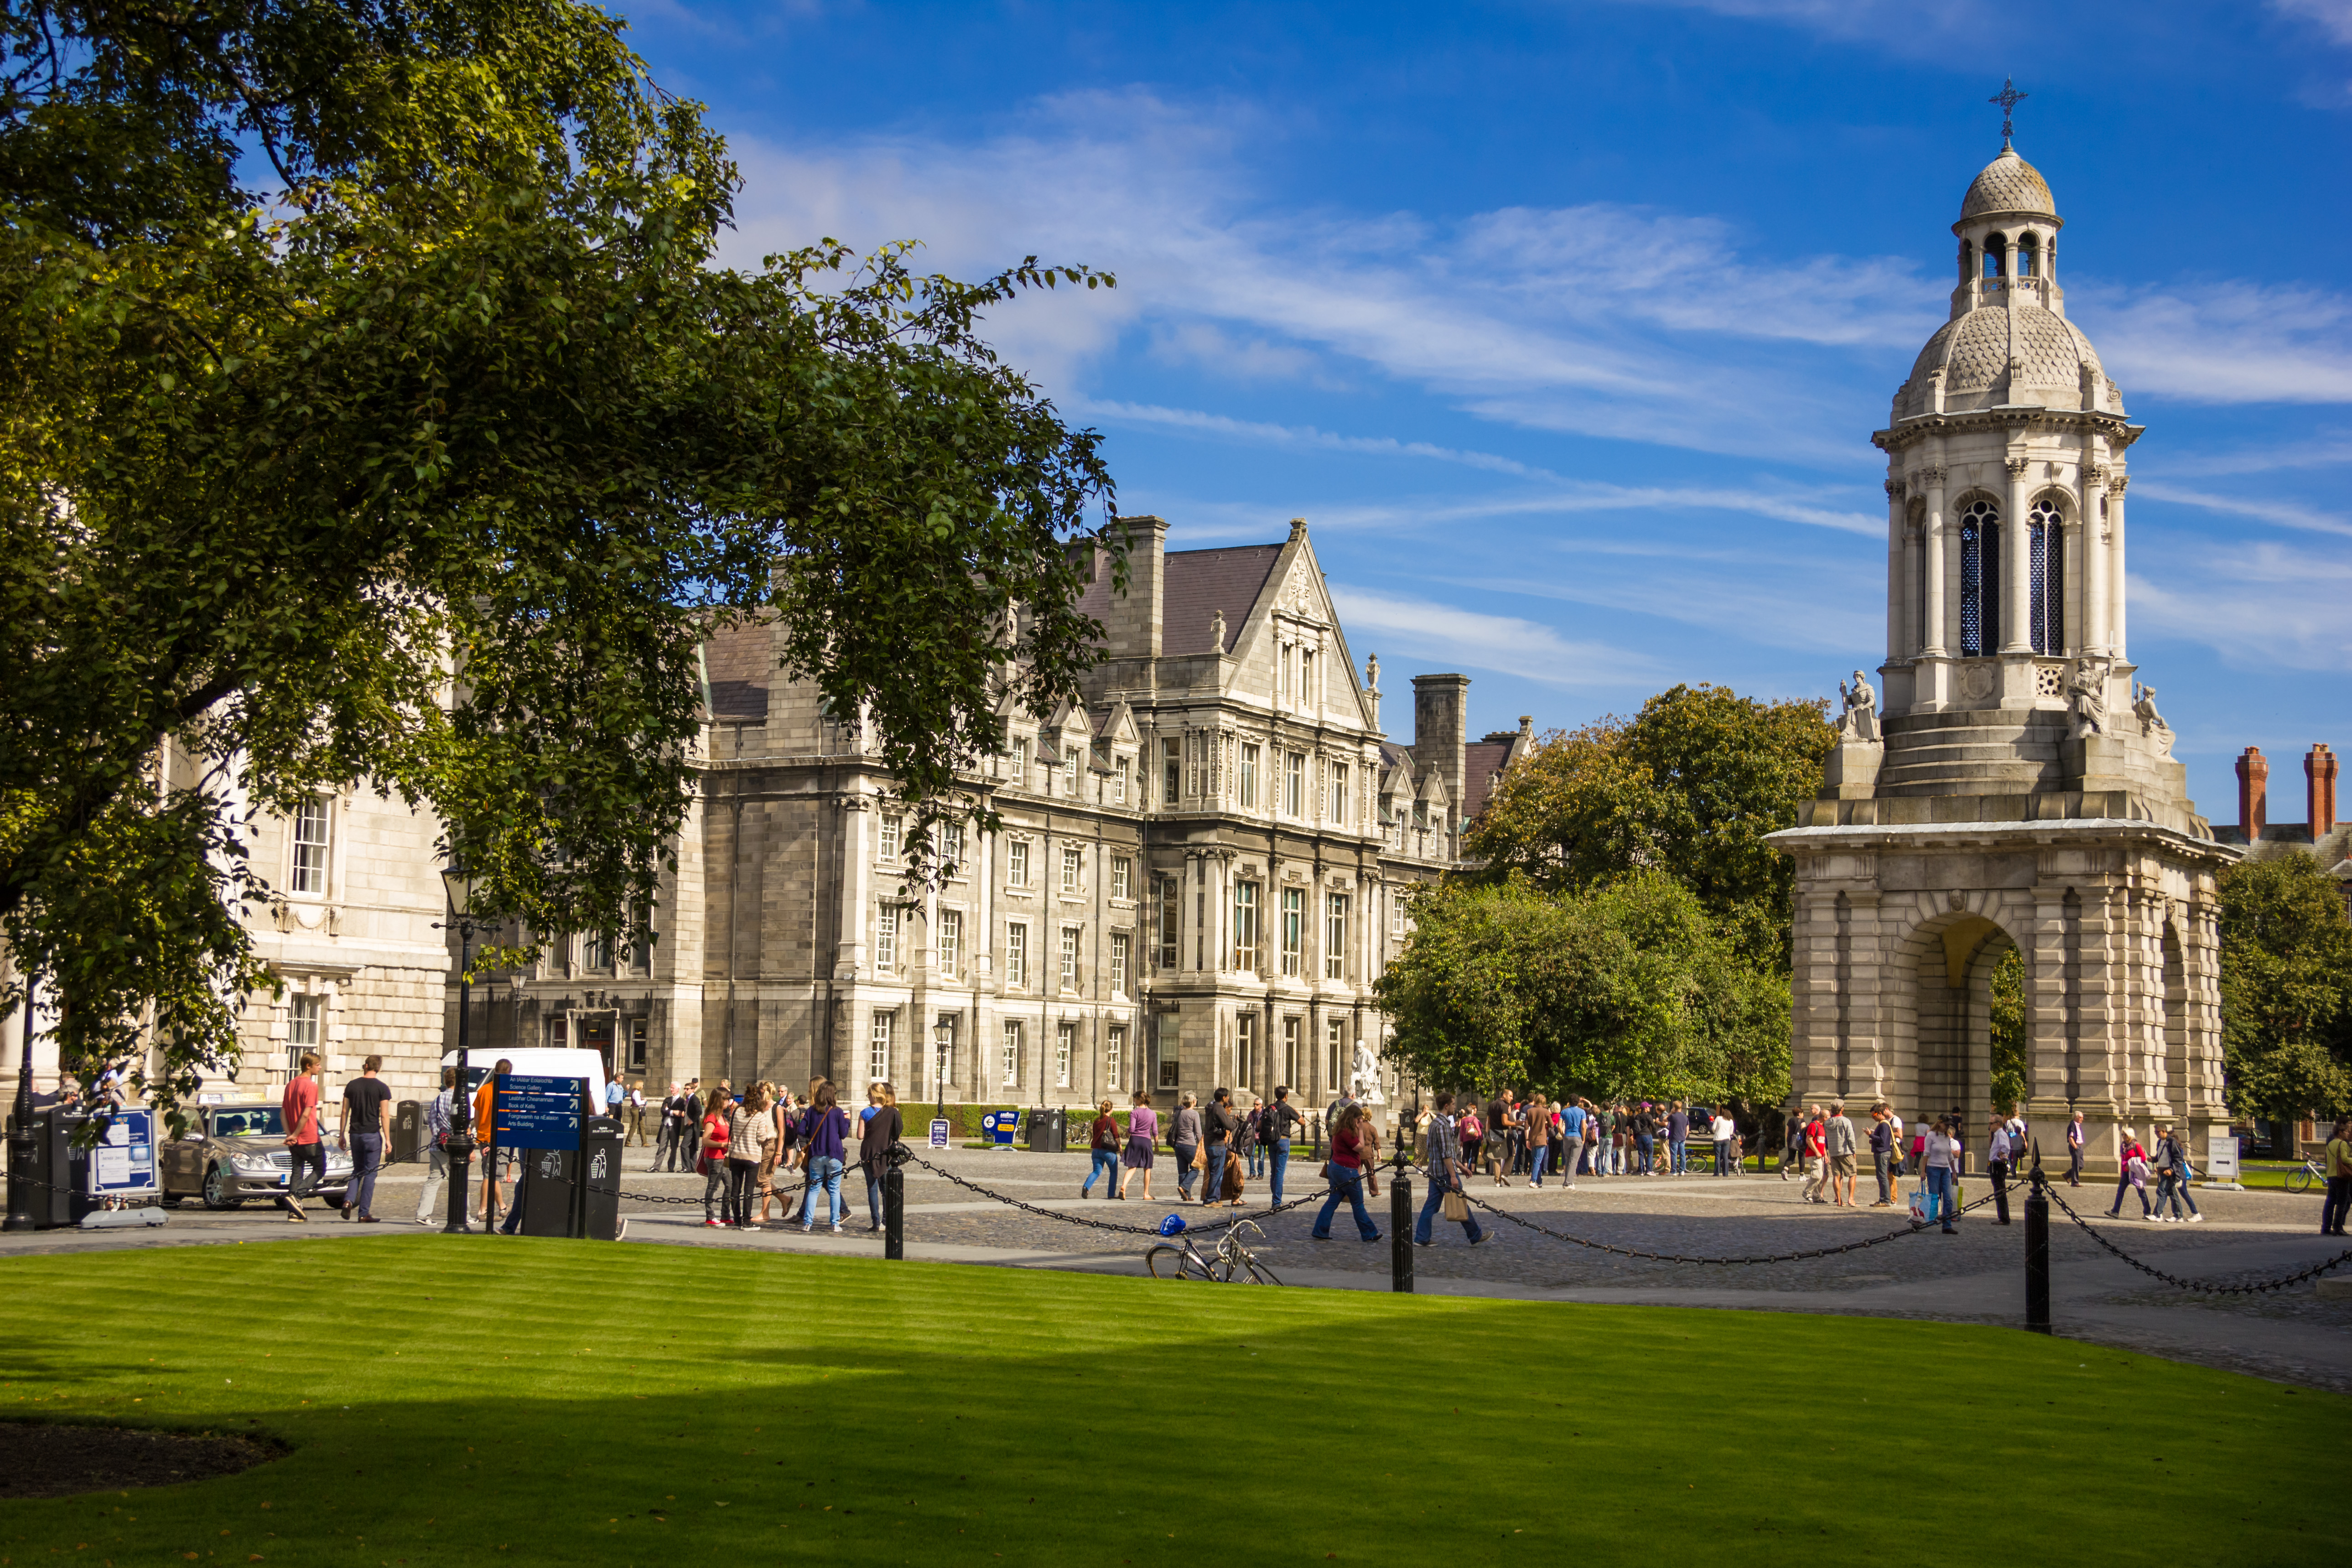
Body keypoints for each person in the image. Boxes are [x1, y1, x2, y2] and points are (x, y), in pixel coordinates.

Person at [1412, 1092, 1485, 1247]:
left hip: (1435, 1172)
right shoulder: (1443, 1125)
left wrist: (1462, 1167)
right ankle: (1475, 1235)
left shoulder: (1434, 1124)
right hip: (1445, 1174)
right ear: (1446, 1106)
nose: (1455, 1107)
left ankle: (1422, 1237)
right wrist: (1454, 1175)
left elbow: (1445, 1153)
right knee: (1460, 1203)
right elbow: (1446, 1154)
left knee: (1431, 1206)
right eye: (1453, 1104)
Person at [1311, 1103, 1382, 1242]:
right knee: (1358, 1203)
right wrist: (1361, 1129)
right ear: (1352, 1119)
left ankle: (1320, 1230)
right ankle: (1369, 1233)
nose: (1360, 1122)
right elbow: (1360, 1147)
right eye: (1359, 1120)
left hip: (1336, 1168)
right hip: (1347, 1170)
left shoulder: (1340, 1129)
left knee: (1333, 1201)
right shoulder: (1347, 1132)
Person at [337, 1054, 393, 1223]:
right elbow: (384, 1115)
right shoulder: (382, 1088)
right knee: (370, 1174)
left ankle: (348, 1201)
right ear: (379, 1068)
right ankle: (363, 1213)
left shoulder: (352, 1085)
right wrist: (388, 1140)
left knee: (357, 1170)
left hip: (355, 1134)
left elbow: (345, 1111)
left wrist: (341, 1134)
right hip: (372, 1135)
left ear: (366, 1066)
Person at [278, 1051, 325, 1223]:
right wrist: (296, 1134)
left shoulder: (291, 1084)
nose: (320, 1067)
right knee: (320, 1169)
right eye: (317, 1064)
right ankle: (297, 1197)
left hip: (294, 1137)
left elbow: (283, 1113)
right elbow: (306, 1114)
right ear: (308, 1066)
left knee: (297, 1171)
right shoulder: (311, 1086)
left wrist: (289, 1135)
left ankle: (293, 1212)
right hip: (308, 1136)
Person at [413, 1067, 463, 1226]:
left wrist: (438, 1139)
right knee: (459, 1179)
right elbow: (463, 1123)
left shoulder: (438, 1099)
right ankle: (465, 1214)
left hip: (437, 1145)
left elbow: (432, 1122)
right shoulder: (459, 1099)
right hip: (453, 1147)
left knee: (433, 1180)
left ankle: (423, 1214)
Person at [800, 1081, 851, 1234]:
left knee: (814, 1190)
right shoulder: (837, 1111)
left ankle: (807, 1223)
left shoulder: (811, 1111)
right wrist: (847, 1121)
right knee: (834, 1190)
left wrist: (813, 1132)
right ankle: (835, 1223)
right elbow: (843, 1134)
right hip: (834, 1154)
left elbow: (801, 1130)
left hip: (816, 1154)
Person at [474, 1057, 515, 1227]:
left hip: (484, 1136)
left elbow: (477, 1116)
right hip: (500, 1137)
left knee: (494, 1174)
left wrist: (481, 1134)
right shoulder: (510, 1091)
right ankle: (483, 1210)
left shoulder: (484, 1090)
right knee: (490, 1175)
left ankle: (503, 1207)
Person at [858, 1081, 903, 1232]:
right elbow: (897, 1133)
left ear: (873, 1095)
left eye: (869, 1095)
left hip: (868, 1154)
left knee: (872, 1189)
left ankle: (876, 1222)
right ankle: (886, 1221)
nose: (868, 1097)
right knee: (886, 1190)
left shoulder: (865, 1112)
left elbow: (860, 1136)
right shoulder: (892, 1112)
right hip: (886, 1154)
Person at [2150, 1121, 2201, 1224]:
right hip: (2165, 1172)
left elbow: (2178, 1160)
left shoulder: (2172, 1143)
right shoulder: (2160, 1142)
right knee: (2171, 1193)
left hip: (2176, 1173)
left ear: (2164, 1132)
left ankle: (2159, 1214)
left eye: (2157, 1132)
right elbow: (2161, 1157)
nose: (2156, 1134)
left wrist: (2171, 1170)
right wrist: (2154, 1160)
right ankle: (2177, 1215)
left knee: (2165, 1191)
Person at [698, 1087, 734, 1228]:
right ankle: (710, 1216)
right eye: (726, 1099)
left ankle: (726, 1215)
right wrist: (723, 1144)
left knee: (730, 1186)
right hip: (714, 1158)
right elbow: (705, 1141)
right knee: (713, 1186)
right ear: (720, 1100)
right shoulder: (712, 1117)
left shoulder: (722, 1117)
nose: (728, 1102)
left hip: (723, 1158)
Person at [1118, 1089, 1160, 1202]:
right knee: (1147, 1169)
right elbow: (1155, 1131)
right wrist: (1156, 1145)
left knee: (1132, 1167)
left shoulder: (1134, 1113)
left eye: (1135, 1099)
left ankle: (1124, 1187)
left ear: (1139, 1099)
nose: (1134, 1101)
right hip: (1146, 1141)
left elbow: (1132, 1129)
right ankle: (1146, 1194)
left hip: (1135, 1140)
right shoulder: (1153, 1114)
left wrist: (1127, 1132)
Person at [1262, 1086, 1301, 1205]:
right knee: (1280, 1172)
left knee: (1274, 1172)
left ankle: (1275, 1197)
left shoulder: (1269, 1108)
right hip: (1283, 1141)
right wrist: (1296, 1112)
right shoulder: (1288, 1109)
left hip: (1271, 1142)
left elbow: (1260, 1124)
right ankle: (1277, 1202)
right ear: (1286, 1096)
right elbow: (1302, 1122)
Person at [1202, 1089, 1240, 1206]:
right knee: (1217, 1173)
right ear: (1224, 1098)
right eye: (1228, 1097)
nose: (1228, 1099)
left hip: (1209, 1143)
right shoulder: (1219, 1108)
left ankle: (1215, 1197)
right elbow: (1228, 1125)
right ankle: (1211, 1199)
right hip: (1217, 1144)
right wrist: (1236, 1122)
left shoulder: (1210, 1106)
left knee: (1216, 1172)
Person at [1922, 1117, 1960, 1233]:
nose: (1947, 1127)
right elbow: (1926, 1153)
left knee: (1948, 1199)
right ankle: (1925, 1220)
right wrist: (1923, 1171)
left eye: (1949, 1125)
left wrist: (1954, 1172)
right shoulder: (1931, 1136)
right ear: (1940, 1123)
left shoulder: (1947, 1138)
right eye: (1946, 1125)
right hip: (1933, 1169)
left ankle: (1947, 1225)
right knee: (1934, 1197)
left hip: (1945, 1170)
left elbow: (1950, 1156)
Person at [2109, 1127, 2154, 1220]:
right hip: (2126, 1173)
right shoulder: (2123, 1146)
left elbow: (2143, 1158)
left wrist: (2131, 1163)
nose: (2123, 1136)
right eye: (2122, 1135)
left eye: (2125, 1135)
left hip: (2135, 1172)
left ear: (2130, 1135)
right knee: (2120, 1191)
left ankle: (2148, 1212)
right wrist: (2122, 1172)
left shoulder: (2136, 1145)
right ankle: (2115, 1211)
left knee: (2141, 1192)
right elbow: (2123, 1160)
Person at [1080, 1098, 1122, 1199]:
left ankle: (1086, 1187)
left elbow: (1095, 1135)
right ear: (1111, 1110)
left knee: (1096, 1172)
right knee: (1113, 1172)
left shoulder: (1097, 1121)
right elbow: (1116, 1135)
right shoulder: (1111, 1120)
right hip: (1108, 1150)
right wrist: (1120, 1147)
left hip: (1096, 1150)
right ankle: (1111, 1194)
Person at [2321, 1119, 2352, 1237]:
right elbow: (2345, 1159)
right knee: (2342, 1202)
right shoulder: (2342, 1143)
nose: (2348, 1133)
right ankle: (2338, 1227)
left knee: (2330, 1201)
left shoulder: (2330, 1144)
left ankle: (2326, 1227)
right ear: (2340, 1132)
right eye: (2346, 1132)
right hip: (2341, 1176)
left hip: (2331, 1175)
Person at [1825, 1101, 1858, 1208]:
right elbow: (1851, 1138)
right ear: (1842, 1109)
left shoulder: (1827, 1122)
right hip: (1846, 1151)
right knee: (1853, 1175)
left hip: (1833, 1152)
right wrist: (1854, 1151)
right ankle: (1851, 1199)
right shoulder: (1845, 1121)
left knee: (1836, 1176)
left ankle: (1839, 1200)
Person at [1171, 1093, 1203, 1202]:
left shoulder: (1178, 1113)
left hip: (1178, 1145)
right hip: (1190, 1144)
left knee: (1182, 1171)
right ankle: (1184, 1187)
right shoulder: (1194, 1114)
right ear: (1193, 1102)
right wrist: (1201, 1144)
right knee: (1196, 1168)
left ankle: (1186, 1195)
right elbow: (1198, 1133)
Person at [1866, 1102, 1896, 1208]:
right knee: (1881, 1176)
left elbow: (1883, 1141)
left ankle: (1885, 1200)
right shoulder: (1884, 1124)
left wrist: (1871, 1135)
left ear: (1880, 1114)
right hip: (1882, 1152)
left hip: (1882, 1153)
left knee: (1883, 1176)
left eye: (1874, 1116)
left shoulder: (1883, 1124)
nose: (1873, 1118)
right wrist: (1873, 1140)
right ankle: (1883, 1199)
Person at [1986, 1114, 2013, 1225]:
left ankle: (2004, 1218)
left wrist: (2000, 1154)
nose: (1990, 1126)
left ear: (1998, 1124)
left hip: (1998, 1165)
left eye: (1991, 1124)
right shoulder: (1997, 1135)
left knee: (2000, 1191)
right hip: (1995, 1164)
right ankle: (2002, 1217)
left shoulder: (2001, 1134)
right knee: (1998, 1191)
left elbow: (2006, 1147)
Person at [1799, 1106, 1828, 1202]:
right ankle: (1806, 1192)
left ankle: (1817, 1197)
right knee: (1817, 1176)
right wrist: (1817, 1152)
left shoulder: (1822, 1128)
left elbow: (1822, 1142)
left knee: (1819, 1176)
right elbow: (1809, 1139)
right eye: (1829, 1118)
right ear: (1825, 1118)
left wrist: (1825, 1155)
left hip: (1820, 1155)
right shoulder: (1813, 1125)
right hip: (1813, 1155)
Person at [1526, 1094, 1553, 1187]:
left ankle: (1539, 1181)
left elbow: (1526, 1126)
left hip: (1532, 1138)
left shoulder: (1529, 1111)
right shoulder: (1545, 1111)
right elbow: (1552, 1124)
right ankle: (1533, 1181)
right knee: (1537, 1161)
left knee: (1535, 1160)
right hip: (1542, 1138)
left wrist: (1527, 1139)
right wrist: (1545, 1122)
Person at [1558, 1098, 1586, 1189]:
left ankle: (1568, 1181)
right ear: (1578, 1102)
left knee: (1568, 1160)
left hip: (1567, 1137)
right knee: (1574, 1161)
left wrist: (1563, 1135)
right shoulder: (1582, 1112)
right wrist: (1584, 1138)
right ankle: (1568, 1183)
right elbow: (1583, 1127)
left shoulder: (1564, 1112)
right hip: (1577, 1136)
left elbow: (1559, 1126)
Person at [1667, 1101, 1689, 1177]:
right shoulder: (1685, 1117)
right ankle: (1682, 1170)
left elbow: (1665, 1119)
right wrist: (1685, 1136)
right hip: (1682, 1138)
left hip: (1674, 1137)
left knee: (1674, 1154)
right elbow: (1687, 1128)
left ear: (1674, 1107)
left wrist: (1671, 1112)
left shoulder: (1673, 1116)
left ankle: (1673, 1171)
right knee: (1683, 1154)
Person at [1711, 1108, 1735, 1177]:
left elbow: (1713, 1128)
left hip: (1718, 1139)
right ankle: (1726, 1173)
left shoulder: (1718, 1118)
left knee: (1718, 1157)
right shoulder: (1731, 1121)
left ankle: (1717, 1173)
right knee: (1725, 1156)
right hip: (1726, 1140)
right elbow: (1731, 1132)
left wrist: (1715, 1132)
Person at [2066, 1111, 2086, 1188]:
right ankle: (2075, 1182)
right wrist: (2075, 1147)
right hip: (2076, 1146)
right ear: (2075, 1118)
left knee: (2081, 1165)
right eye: (2080, 1117)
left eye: (2082, 1118)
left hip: (2080, 1146)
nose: (2082, 1119)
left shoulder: (2078, 1125)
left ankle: (2067, 1175)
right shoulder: (2072, 1125)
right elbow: (2071, 1137)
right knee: (2076, 1165)